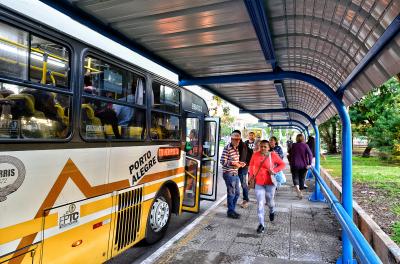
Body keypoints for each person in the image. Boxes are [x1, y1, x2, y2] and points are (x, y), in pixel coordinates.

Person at [249, 140, 285, 233]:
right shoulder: (255, 154)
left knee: (270, 202)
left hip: (270, 183)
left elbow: (282, 164)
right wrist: (250, 176)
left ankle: (272, 210)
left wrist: (275, 170)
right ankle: (261, 224)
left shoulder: (272, 155)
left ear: (269, 147)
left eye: (265, 146)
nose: (263, 148)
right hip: (259, 183)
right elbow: (251, 165)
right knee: (260, 203)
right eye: (261, 146)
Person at [220, 130, 246, 219]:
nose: (238, 141)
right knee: (231, 193)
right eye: (236, 139)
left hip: (235, 173)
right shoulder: (227, 148)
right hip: (229, 174)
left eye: (239, 139)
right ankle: (230, 211)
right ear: (231, 139)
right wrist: (234, 164)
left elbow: (235, 161)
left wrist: (240, 163)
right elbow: (222, 161)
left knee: (237, 193)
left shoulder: (236, 149)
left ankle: (232, 210)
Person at [288, 134, 313, 199]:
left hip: (294, 164)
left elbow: (290, 154)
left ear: (296, 138)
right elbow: (310, 154)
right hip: (303, 165)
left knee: (295, 177)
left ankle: (298, 190)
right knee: (302, 178)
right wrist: (309, 164)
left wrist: (290, 163)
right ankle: (301, 192)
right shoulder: (305, 145)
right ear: (303, 138)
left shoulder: (293, 145)